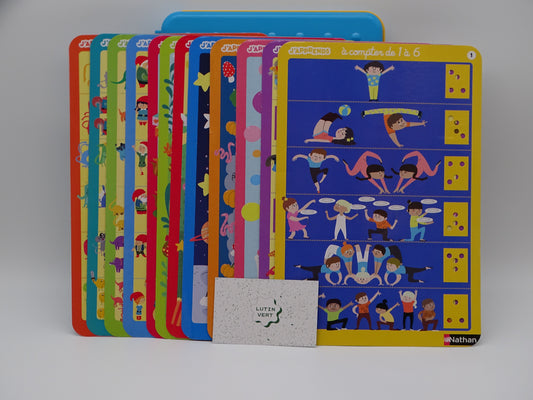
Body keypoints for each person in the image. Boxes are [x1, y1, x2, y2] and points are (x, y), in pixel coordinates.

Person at [361, 108, 427, 147]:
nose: (402, 123)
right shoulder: (392, 128)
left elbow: (411, 124)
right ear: (393, 126)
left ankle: (418, 113)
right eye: (400, 122)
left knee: (403, 110)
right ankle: (418, 113)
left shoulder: (401, 124)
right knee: (403, 110)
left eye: (402, 120)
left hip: (389, 113)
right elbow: (393, 137)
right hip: (388, 112)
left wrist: (421, 123)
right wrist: (398, 144)